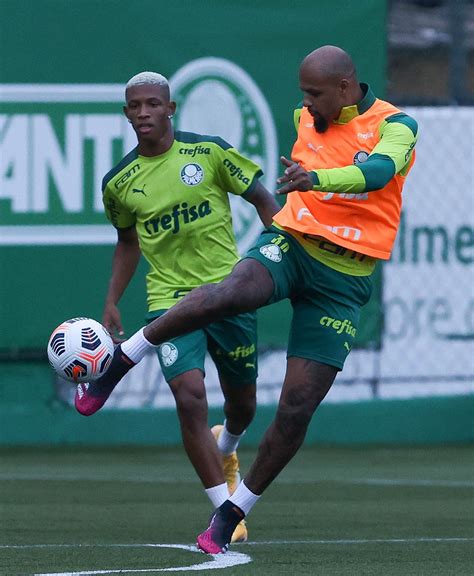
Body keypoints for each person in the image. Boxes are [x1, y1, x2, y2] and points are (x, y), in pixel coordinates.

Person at [76, 46, 418, 553]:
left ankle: (233, 512)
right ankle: (124, 359)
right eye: (304, 93)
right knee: (231, 291)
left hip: (345, 277)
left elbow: (379, 173)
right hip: (294, 243)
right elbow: (132, 241)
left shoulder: (399, 125)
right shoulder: (309, 118)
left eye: (314, 93)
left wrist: (315, 179)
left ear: (346, 88)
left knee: (297, 406)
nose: (305, 103)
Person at [75, 71, 281, 544]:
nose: (143, 112)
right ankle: (224, 512)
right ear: (126, 113)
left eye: (152, 103)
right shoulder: (119, 182)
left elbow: (264, 200)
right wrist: (111, 299)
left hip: (229, 293)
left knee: (243, 407)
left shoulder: (208, 153)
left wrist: (277, 252)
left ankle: (227, 445)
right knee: (189, 397)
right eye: (134, 106)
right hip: (168, 301)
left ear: (172, 107)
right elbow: (127, 242)